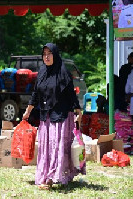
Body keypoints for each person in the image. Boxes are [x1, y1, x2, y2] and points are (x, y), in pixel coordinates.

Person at [22, 43, 85, 189]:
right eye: (44, 54)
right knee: (46, 148)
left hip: (61, 115)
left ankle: (52, 178)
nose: (46, 56)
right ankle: (48, 175)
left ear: (55, 54)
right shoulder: (42, 72)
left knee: (57, 147)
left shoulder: (63, 72)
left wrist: (78, 112)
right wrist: (28, 111)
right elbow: (35, 94)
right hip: (46, 115)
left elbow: (71, 95)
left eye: (49, 53)